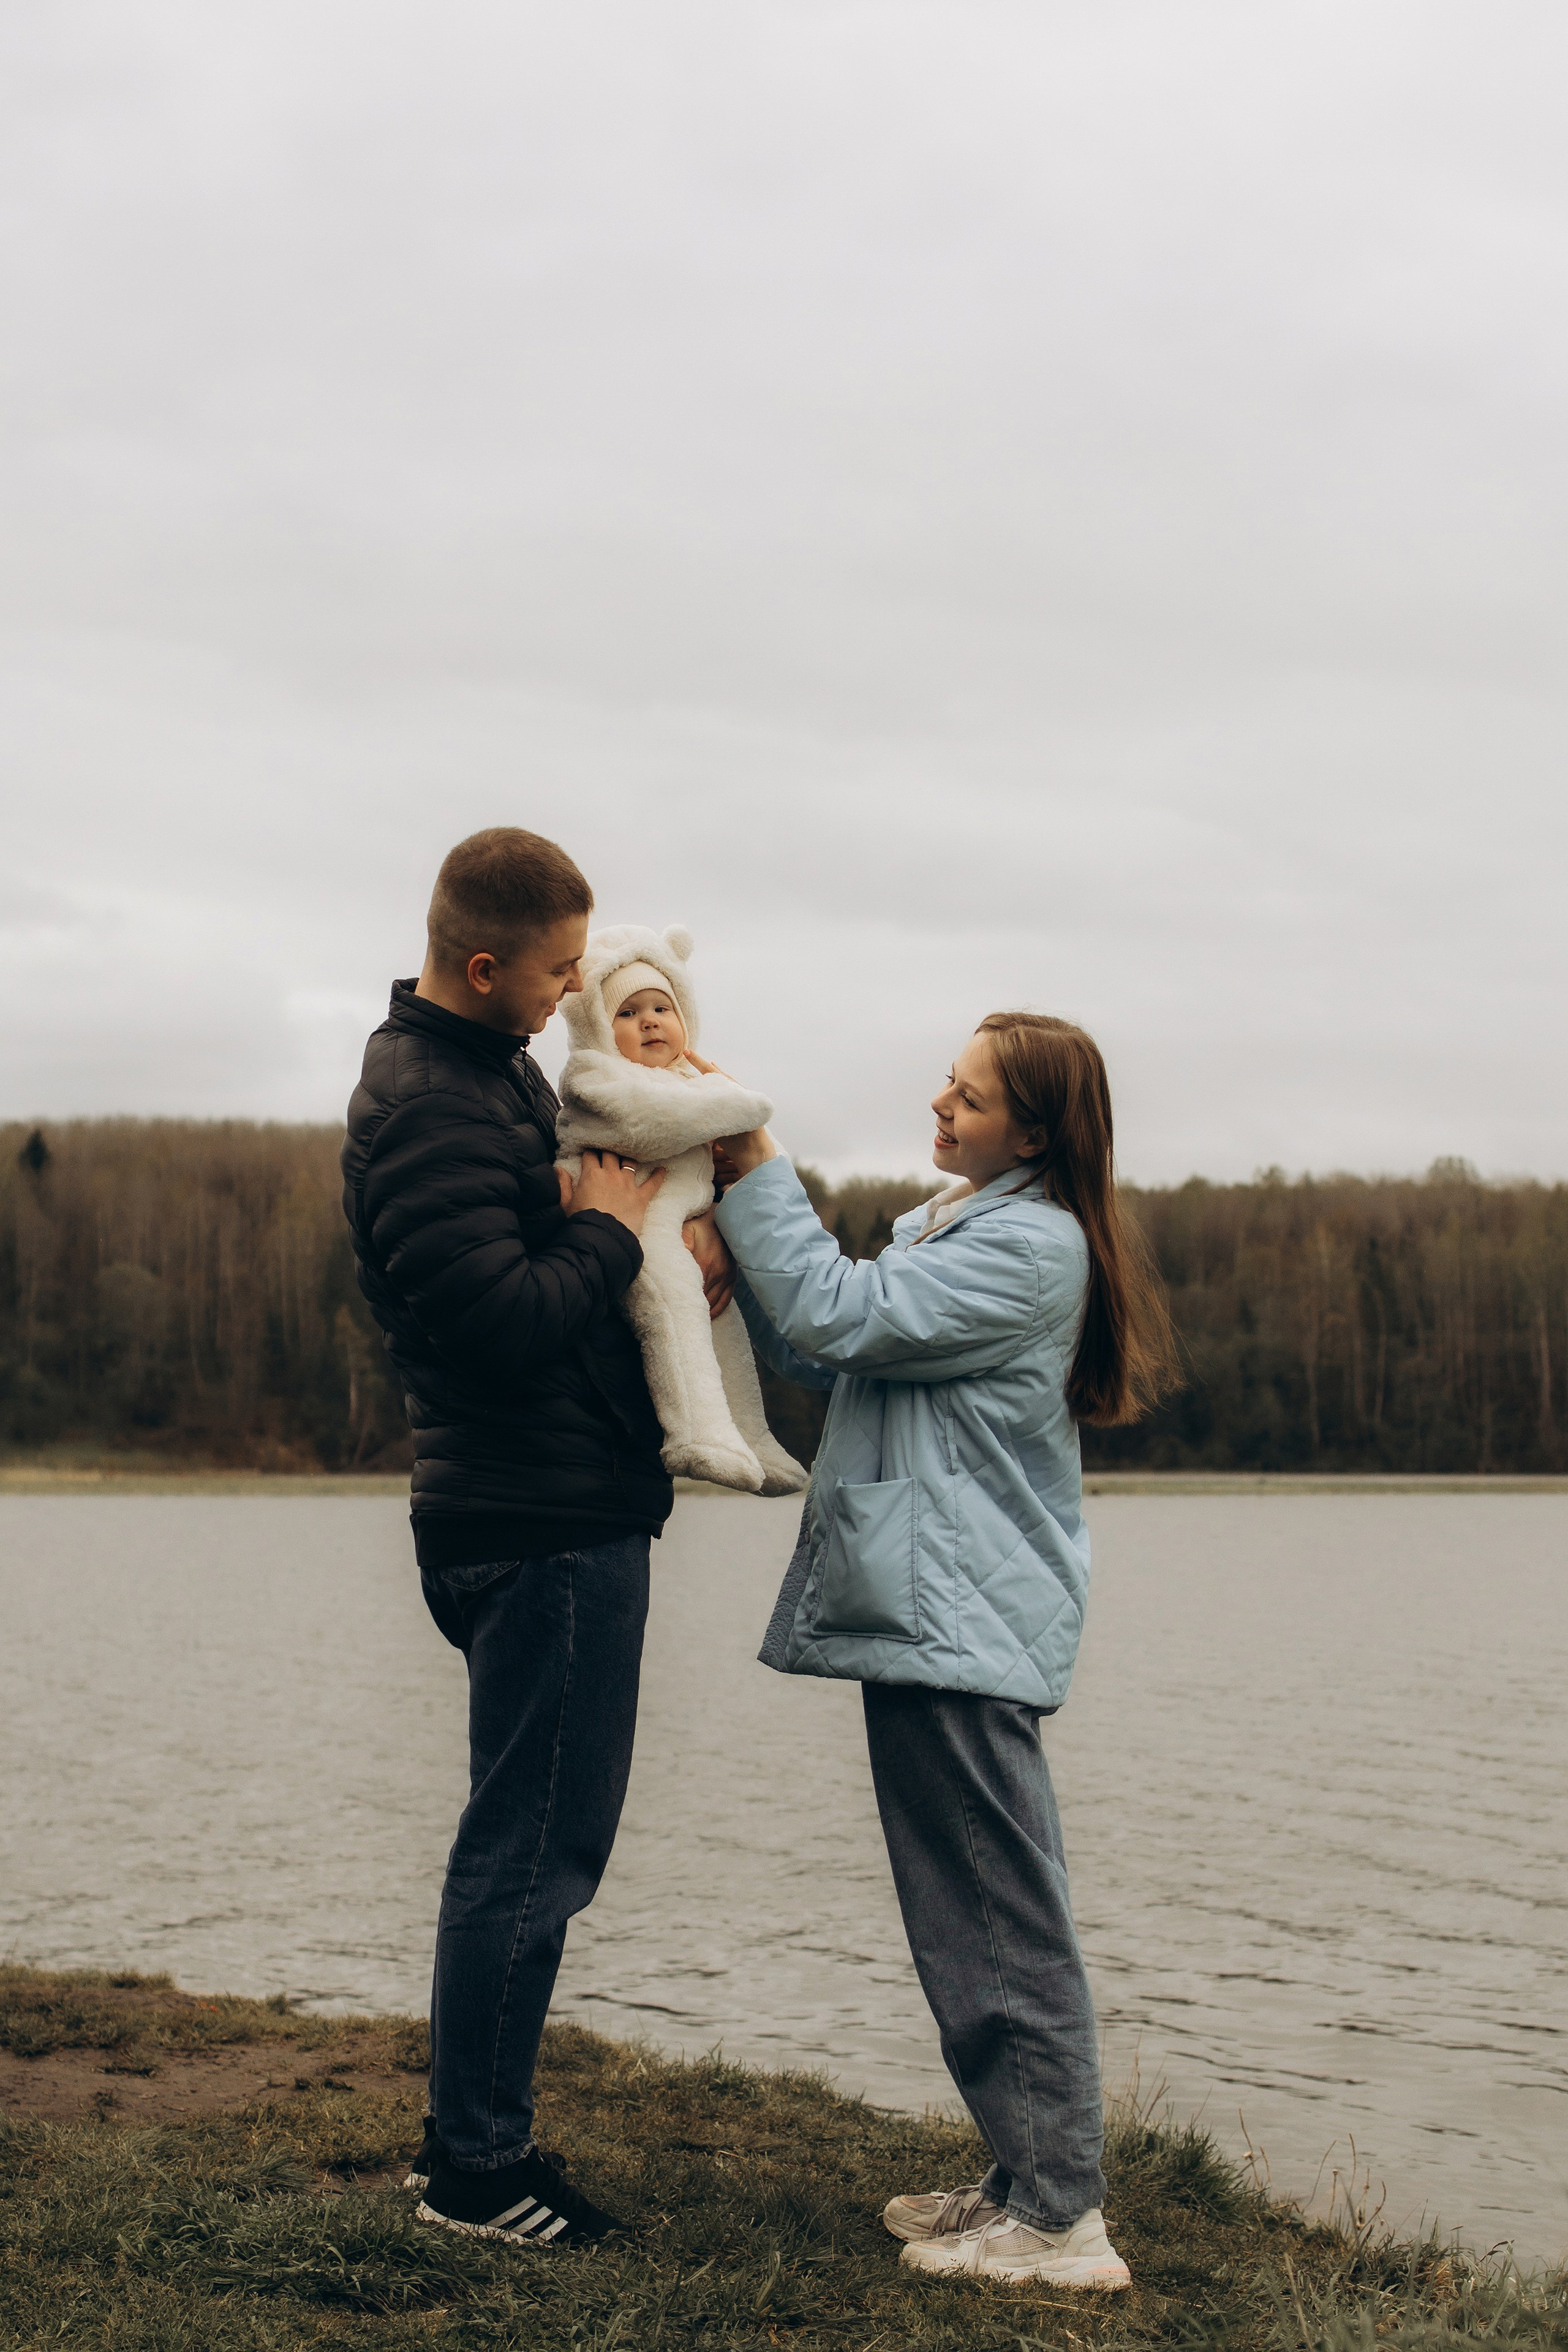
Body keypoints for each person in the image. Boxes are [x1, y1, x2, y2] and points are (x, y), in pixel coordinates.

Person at [712, 1011, 1178, 2292]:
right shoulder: (965, 1224)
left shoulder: (1026, 1248)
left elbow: (833, 1306)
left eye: (967, 1098)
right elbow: (823, 1340)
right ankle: (1024, 2181)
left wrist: (754, 1160)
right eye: (947, 1084)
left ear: (1031, 1135)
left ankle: (1063, 2221)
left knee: (996, 1913)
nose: (939, 1105)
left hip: (961, 1615)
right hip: (936, 1608)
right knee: (965, 1907)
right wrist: (728, 1231)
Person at [340, 827, 733, 2249]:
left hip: (549, 1499)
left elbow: (544, 1276)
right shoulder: (434, 1106)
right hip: (535, 1521)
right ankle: (477, 2174)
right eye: (561, 968)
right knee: (531, 1852)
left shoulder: (491, 1070)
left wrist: (652, 1257)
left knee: (522, 1839)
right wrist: (610, 1232)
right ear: (482, 964)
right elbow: (498, 1324)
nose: (580, 989)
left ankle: (470, 2140)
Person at [553, 921, 808, 1496]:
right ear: (596, 1025)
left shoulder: (692, 1080)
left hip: (682, 1221)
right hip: (631, 1224)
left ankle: (751, 1438)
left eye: (661, 1008)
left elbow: (764, 1158)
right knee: (673, 1308)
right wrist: (735, 1105)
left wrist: (742, 1163)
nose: (649, 1021)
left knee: (723, 1318)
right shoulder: (595, 1075)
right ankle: (696, 1434)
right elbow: (647, 1124)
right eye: (627, 1013)